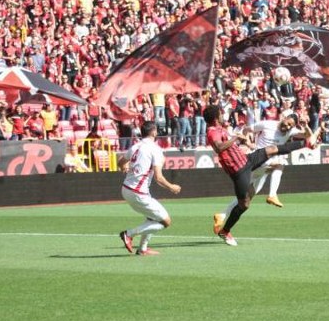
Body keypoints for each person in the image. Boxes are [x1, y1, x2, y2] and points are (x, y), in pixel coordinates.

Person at [204, 105, 316, 246]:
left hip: (246, 160)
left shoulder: (220, 128)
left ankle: (305, 144)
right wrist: (235, 139)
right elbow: (219, 147)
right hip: (239, 172)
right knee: (244, 205)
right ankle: (225, 230)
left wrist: (244, 141)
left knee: (272, 150)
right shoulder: (212, 132)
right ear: (215, 118)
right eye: (221, 114)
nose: (223, 116)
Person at [118, 121, 181, 256]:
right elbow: (158, 178)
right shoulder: (155, 149)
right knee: (165, 221)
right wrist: (172, 187)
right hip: (137, 192)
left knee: (152, 217)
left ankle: (143, 249)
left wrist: (123, 167)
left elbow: (121, 161)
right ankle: (128, 234)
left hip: (126, 189)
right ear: (154, 132)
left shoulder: (136, 146)